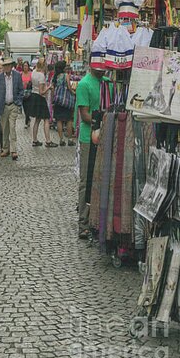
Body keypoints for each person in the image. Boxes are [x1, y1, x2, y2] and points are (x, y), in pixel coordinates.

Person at [74, 60, 107, 239]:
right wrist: (102, 122)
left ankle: (98, 221)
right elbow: (84, 114)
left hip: (106, 137)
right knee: (86, 181)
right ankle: (83, 223)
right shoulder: (84, 84)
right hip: (89, 138)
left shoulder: (108, 83)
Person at [0, 57, 24, 160]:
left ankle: (14, 150)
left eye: (8, 65)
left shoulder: (17, 76)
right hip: (3, 106)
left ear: (11, 66)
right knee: (5, 128)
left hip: (13, 105)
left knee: (12, 127)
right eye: (5, 65)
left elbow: (21, 90)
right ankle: (5, 148)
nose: (7, 67)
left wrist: (18, 102)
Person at [28, 58, 58, 148]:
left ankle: (35, 140)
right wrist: (49, 87)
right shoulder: (41, 76)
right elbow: (42, 92)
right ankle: (48, 141)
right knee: (46, 119)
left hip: (34, 95)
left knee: (37, 120)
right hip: (40, 98)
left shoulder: (33, 72)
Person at [52, 61, 76, 146]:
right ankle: (70, 139)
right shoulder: (66, 75)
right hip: (66, 101)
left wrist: (52, 100)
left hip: (58, 101)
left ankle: (61, 139)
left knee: (59, 120)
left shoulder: (55, 77)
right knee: (68, 120)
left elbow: (53, 89)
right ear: (63, 68)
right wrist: (74, 93)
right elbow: (69, 87)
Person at [21, 60, 33, 128]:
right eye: (24, 66)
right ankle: (28, 119)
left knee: (28, 107)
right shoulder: (20, 74)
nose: (25, 67)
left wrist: (29, 83)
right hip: (23, 93)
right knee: (25, 108)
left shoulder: (31, 74)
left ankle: (26, 121)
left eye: (26, 66)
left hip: (29, 93)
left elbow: (33, 83)